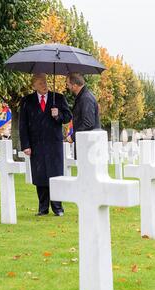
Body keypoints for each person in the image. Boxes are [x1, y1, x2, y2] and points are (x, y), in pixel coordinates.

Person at [19, 73, 72, 217]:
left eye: (45, 82)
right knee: (40, 176)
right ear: (34, 85)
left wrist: (58, 115)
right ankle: (43, 208)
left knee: (55, 176)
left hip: (53, 145)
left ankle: (57, 207)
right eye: (40, 83)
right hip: (36, 145)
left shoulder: (58, 98)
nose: (44, 85)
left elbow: (68, 117)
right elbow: (22, 125)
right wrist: (26, 145)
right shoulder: (26, 101)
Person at [66, 73, 101, 145]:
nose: (67, 87)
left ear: (74, 86)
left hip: (88, 144)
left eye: (68, 84)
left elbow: (88, 123)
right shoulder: (82, 97)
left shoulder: (86, 98)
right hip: (85, 142)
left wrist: (73, 137)